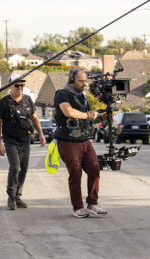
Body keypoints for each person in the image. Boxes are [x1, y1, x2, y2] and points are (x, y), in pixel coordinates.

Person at [53, 67, 108, 218]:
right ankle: (78, 207)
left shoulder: (82, 97)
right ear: (71, 80)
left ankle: (92, 203)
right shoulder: (62, 94)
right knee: (75, 174)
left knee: (94, 169)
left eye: (85, 80)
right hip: (68, 141)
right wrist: (87, 114)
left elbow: (89, 117)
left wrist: (103, 116)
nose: (84, 84)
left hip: (84, 140)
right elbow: (68, 112)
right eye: (80, 81)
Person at [0, 74, 46, 210]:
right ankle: (11, 197)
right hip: (10, 141)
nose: (20, 88)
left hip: (25, 140)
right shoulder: (3, 102)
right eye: (17, 85)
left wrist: (41, 134)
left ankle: (18, 196)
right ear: (10, 86)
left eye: (22, 85)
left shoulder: (28, 100)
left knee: (23, 169)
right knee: (15, 168)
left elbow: (35, 118)